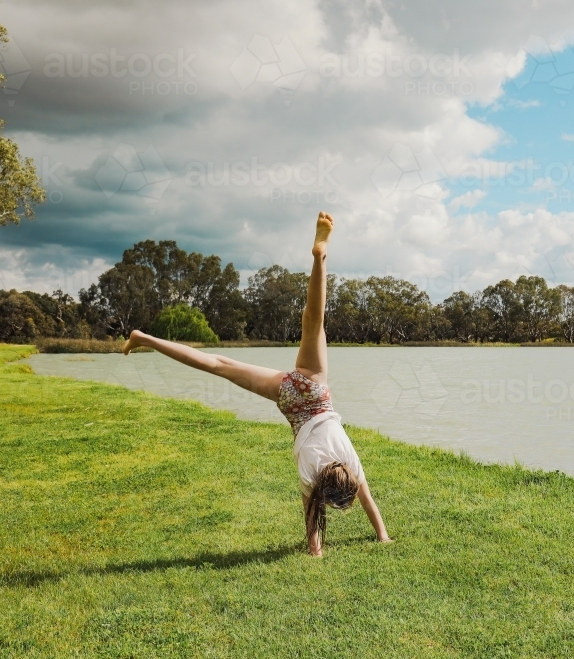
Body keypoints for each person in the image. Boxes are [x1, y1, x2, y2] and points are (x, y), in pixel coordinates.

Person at [122, 211, 391, 556]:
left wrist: (382, 535)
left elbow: (363, 500)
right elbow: (314, 516)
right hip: (291, 401)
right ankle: (145, 338)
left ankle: (320, 257)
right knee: (220, 366)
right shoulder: (312, 470)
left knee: (314, 322)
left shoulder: (349, 462)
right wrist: (322, 550)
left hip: (314, 389)